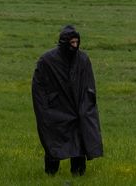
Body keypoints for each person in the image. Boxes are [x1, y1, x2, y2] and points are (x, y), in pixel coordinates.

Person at [31, 25, 102, 176]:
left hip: (77, 109)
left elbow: (89, 86)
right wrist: (45, 108)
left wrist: (86, 108)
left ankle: (78, 173)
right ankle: (51, 173)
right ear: (64, 43)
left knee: (79, 141)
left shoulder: (82, 60)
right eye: (72, 43)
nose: (75, 46)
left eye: (77, 42)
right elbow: (39, 87)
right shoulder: (47, 61)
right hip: (56, 109)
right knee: (54, 141)